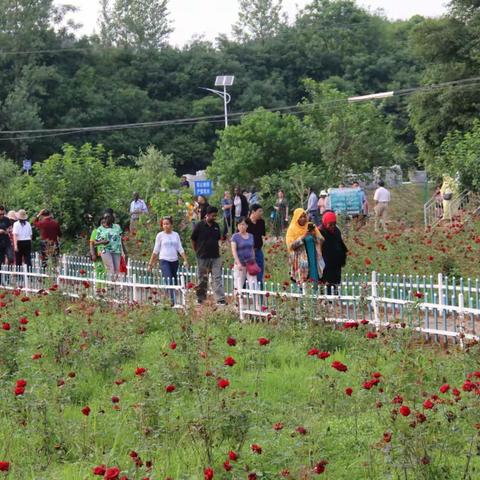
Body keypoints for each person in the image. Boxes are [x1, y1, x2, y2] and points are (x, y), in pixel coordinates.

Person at [148, 216, 189, 305]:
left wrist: (185, 259)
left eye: (167, 224)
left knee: (173, 280)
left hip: (174, 261)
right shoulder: (160, 236)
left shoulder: (175, 235)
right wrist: (150, 263)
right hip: (164, 260)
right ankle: (171, 301)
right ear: (162, 225)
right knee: (168, 279)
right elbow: (156, 250)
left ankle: (169, 298)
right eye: (164, 224)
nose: (166, 226)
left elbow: (180, 248)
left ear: (171, 225)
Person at [191, 206, 225, 305]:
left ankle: (220, 298)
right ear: (207, 215)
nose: (214, 217)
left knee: (217, 277)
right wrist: (197, 251)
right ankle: (201, 298)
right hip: (202, 256)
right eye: (213, 215)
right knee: (203, 278)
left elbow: (218, 239)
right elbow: (193, 239)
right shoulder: (199, 225)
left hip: (215, 256)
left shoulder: (216, 226)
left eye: (216, 215)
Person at [285, 208, 324, 286]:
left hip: (312, 257)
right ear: (296, 218)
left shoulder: (310, 226)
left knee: (313, 277)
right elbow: (291, 246)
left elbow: (321, 240)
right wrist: (303, 237)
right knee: (302, 281)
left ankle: (314, 294)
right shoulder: (292, 229)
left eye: (304, 216)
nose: (303, 219)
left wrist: (314, 235)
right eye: (300, 217)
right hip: (299, 259)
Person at [319, 211, 348, 294]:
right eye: (330, 224)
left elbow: (340, 245)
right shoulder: (320, 232)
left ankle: (334, 303)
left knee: (335, 286)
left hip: (336, 265)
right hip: (325, 266)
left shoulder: (336, 231)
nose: (332, 226)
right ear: (325, 222)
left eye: (334, 224)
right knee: (326, 287)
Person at [95, 213, 128, 279]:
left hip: (116, 250)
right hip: (105, 250)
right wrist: (102, 242)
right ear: (104, 219)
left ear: (112, 218)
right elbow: (95, 242)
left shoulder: (117, 227)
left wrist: (124, 250)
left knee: (117, 269)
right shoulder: (100, 229)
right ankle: (110, 284)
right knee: (111, 267)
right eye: (106, 217)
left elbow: (120, 239)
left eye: (109, 217)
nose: (107, 219)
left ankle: (114, 285)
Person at [231, 217, 258, 296]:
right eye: (239, 225)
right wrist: (238, 263)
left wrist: (254, 260)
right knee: (238, 284)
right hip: (240, 264)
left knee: (253, 284)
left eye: (243, 224)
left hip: (250, 263)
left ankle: (255, 304)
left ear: (247, 226)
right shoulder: (235, 237)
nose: (241, 226)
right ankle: (237, 304)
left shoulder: (251, 236)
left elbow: (252, 248)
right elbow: (234, 251)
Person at [247, 204, 266, 285]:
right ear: (253, 212)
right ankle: (244, 295)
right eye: (259, 211)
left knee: (259, 273)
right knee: (247, 274)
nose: (261, 213)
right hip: (247, 252)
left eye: (262, 211)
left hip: (258, 251)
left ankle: (260, 295)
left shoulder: (261, 222)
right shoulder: (245, 222)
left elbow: (262, 234)